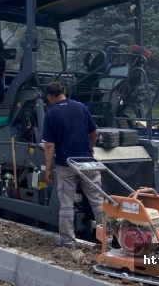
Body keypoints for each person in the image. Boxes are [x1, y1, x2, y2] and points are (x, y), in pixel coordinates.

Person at [42, 82, 103, 248]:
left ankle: (68, 241)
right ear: (62, 92)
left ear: (49, 96)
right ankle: (107, 240)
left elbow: (49, 145)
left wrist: (48, 169)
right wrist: (91, 147)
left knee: (67, 204)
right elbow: (94, 132)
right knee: (98, 201)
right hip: (87, 162)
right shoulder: (81, 107)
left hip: (66, 164)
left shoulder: (51, 114)